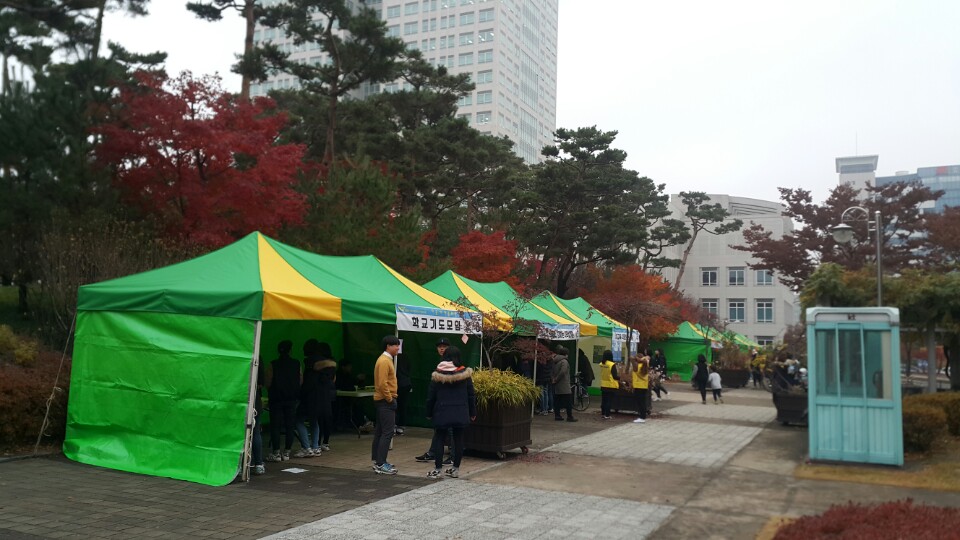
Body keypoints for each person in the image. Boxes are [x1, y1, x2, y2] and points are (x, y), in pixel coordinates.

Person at [424, 346, 476, 480]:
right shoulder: (465, 374)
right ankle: (455, 469)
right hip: (460, 411)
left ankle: (437, 469)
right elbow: (471, 395)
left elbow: (431, 397)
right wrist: (472, 412)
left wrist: (429, 413)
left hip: (441, 411)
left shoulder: (437, 374)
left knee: (439, 439)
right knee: (458, 440)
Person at [415, 338, 455, 465]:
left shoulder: (453, 364)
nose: (442, 348)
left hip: (449, 403)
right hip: (440, 403)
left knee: (450, 429)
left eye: (444, 346)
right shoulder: (441, 363)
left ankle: (453, 456)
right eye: (439, 346)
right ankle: (433, 452)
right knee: (439, 428)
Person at [265, 340, 302, 462]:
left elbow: (268, 381)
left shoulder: (273, 364)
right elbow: (300, 380)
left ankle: (276, 452)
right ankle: (287, 452)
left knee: (275, 426)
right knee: (290, 426)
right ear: (290, 350)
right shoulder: (296, 363)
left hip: (276, 399)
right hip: (291, 399)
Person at [371, 335, 400, 475]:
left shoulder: (386, 359)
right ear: (388, 346)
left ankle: (378, 460)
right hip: (385, 401)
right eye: (396, 345)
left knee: (380, 431)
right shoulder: (384, 361)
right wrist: (390, 399)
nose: (398, 348)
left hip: (383, 400)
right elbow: (382, 383)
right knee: (387, 432)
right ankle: (381, 463)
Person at [294, 339, 322, 458]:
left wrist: (300, 394)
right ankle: (315, 447)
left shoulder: (309, 363)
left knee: (298, 420)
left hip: (309, 397)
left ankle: (306, 447)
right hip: (319, 396)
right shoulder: (323, 363)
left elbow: (307, 383)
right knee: (314, 421)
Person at [551, 345, 576, 422]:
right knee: (568, 401)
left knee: (557, 401)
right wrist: (557, 379)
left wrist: (554, 379)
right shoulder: (564, 361)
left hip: (557, 385)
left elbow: (552, 371)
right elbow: (563, 371)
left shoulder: (555, 360)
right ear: (566, 354)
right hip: (564, 384)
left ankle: (557, 415)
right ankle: (569, 416)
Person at [250, 358, 266, 475]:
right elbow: (261, 383)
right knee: (256, 433)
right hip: (255, 400)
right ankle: (259, 464)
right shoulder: (257, 357)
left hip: (238, 399)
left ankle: (240, 465)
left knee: (239, 434)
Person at [599, 350, 619, 420]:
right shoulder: (612, 364)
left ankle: (603, 414)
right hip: (611, 385)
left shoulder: (601, 364)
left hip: (603, 384)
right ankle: (607, 415)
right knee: (609, 401)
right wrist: (621, 378)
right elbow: (615, 376)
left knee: (604, 400)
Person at [632, 353, 650, 423]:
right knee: (643, 402)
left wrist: (634, 360)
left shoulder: (638, 367)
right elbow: (647, 358)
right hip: (644, 386)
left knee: (640, 402)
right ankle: (642, 416)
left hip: (638, 386)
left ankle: (642, 417)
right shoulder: (645, 365)